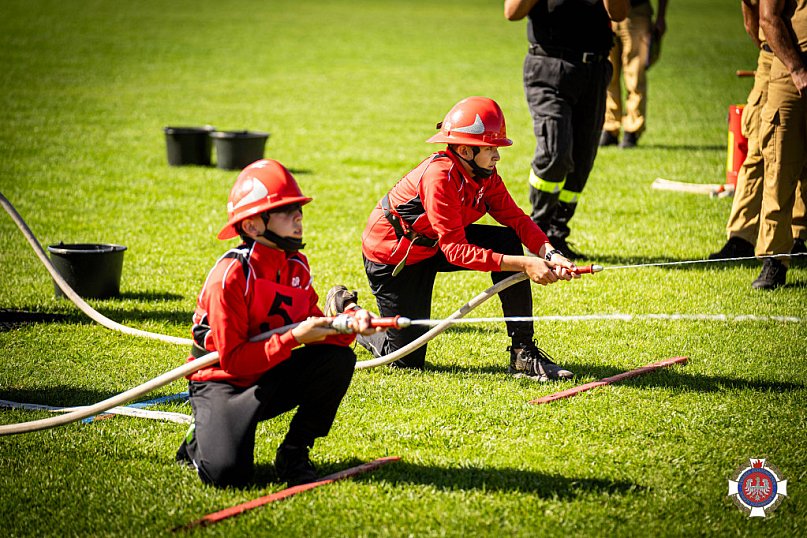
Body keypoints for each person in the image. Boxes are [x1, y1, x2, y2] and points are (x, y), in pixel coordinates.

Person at [175, 159, 385, 488]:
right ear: (253, 225)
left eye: (298, 208)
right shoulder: (229, 277)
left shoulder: (296, 266)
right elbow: (233, 361)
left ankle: (294, 451)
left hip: (271, 370)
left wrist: (347, 325)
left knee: (338, 360)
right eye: (286, 211)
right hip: (223, 382)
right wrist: (292, 339)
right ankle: (199, 435)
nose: (298, 217)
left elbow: (317, 327)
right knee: (228, 477)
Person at [356, 96, 579, 382]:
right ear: (465, 149)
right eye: (491, 149)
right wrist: (525, 264)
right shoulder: (440, 177)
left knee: (507, 239)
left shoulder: (484, 175)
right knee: (405, 359)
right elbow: (456, 252)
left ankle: (523, 355)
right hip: (394, 257)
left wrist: (549, 252)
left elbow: (517, 219)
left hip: (435, 242)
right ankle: (348, 312)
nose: (498, 156)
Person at [505, 0, 630, 259]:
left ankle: (558, 235)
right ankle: (537, 232)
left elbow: (619, 13)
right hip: (548, 65)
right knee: (555, 153)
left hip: (595, 70)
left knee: (582, 160)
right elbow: (512, 12)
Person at [709, 0, 806, 263]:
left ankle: (798, 236)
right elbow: (754, 14)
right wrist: (776, 52)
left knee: (797, 151)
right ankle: (742, 237)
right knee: (760, 148)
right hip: (774, 55)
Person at [754, 0, 807, 288]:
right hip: (791, 71)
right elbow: (767, 17)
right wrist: (797, 68)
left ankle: (800, 239)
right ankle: (774, 260)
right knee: (780, 167)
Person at [599, 0, 669, 148]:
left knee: (635, 75)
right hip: (605, 13)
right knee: (608, 74)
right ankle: (610, 127)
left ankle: (632, 129)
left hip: (636, 12)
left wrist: (661, 17)